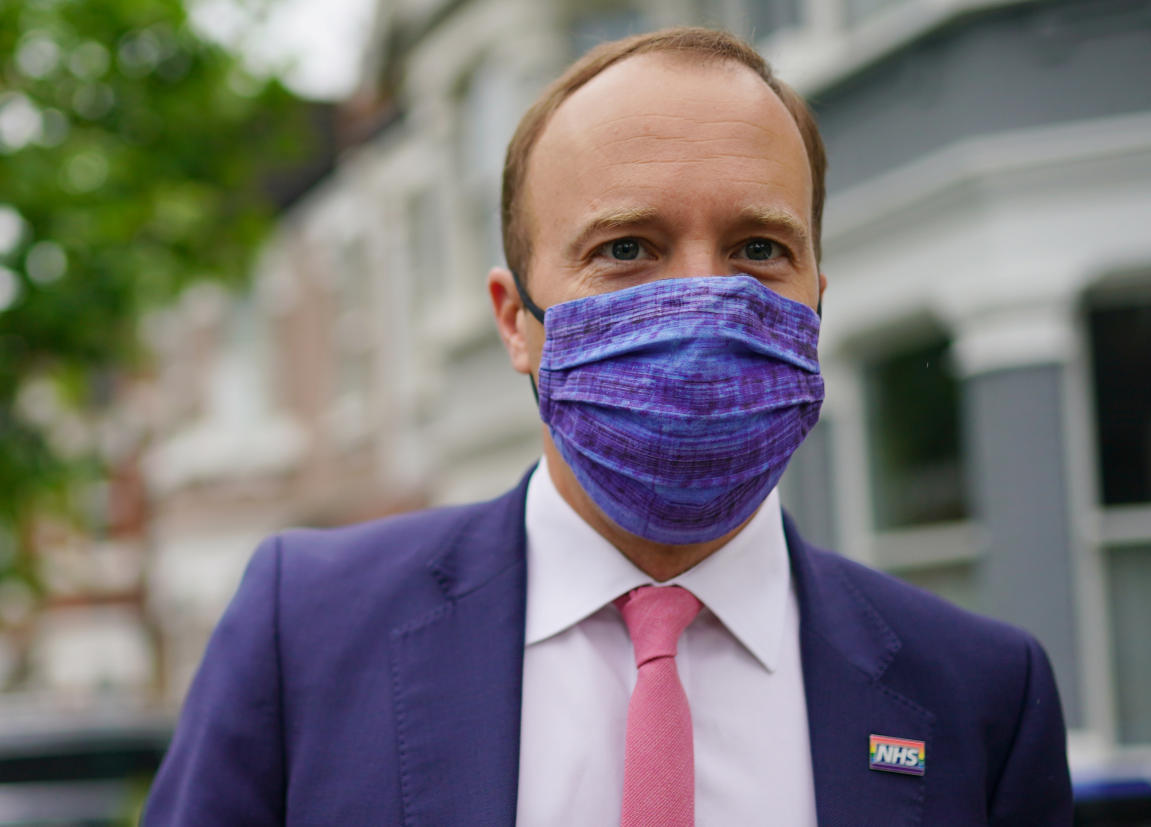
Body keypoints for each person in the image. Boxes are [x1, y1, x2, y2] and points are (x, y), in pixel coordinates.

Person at [144, 27, 1072, 826]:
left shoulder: (982, 694)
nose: (704, 301)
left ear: (817, 300)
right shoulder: (305, 631)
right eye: (626, 249)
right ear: (516, 320)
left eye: (760, 249)